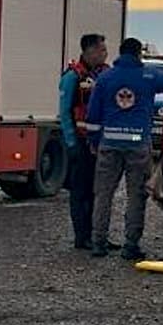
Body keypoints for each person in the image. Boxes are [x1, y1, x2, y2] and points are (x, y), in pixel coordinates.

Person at [86, 37, 163, 260]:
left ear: (120, 53)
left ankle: (98, 243)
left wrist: (94, 141)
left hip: (109, 145)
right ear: (138, 54)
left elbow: (93, 116)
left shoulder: (105, 78)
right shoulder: (148, 76)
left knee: (103, 195)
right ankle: (130, 246)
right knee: (136, 197)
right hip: (138, 146)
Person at [58, 34, 109, 250]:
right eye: (101, 50)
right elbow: (64, 111)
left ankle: (97, 235)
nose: (105, 53)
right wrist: (71, 144)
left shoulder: (105, 74)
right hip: (80, 143)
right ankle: (82, 236)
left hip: (101, 144)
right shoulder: (73, 77)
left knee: (99, 192)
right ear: (89, 51)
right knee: (81, 192)